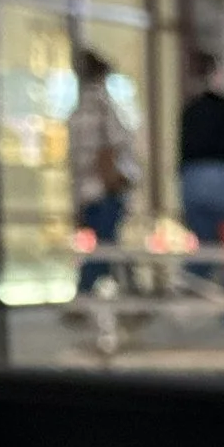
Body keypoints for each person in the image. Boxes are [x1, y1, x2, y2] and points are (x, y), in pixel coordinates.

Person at [177, 48, 224, 289]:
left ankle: (190, 297)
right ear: (218, 75)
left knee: (204, 245)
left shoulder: (189, 111)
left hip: (193, 180)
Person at [66, 49, 139, 297]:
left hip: (85, 191)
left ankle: (130, 297)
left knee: (109, 247)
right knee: (106, 249)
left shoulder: (77, 112)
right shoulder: (101, 106)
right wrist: (118, 181)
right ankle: (86, 296)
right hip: (104, 191)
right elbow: (110, 148)